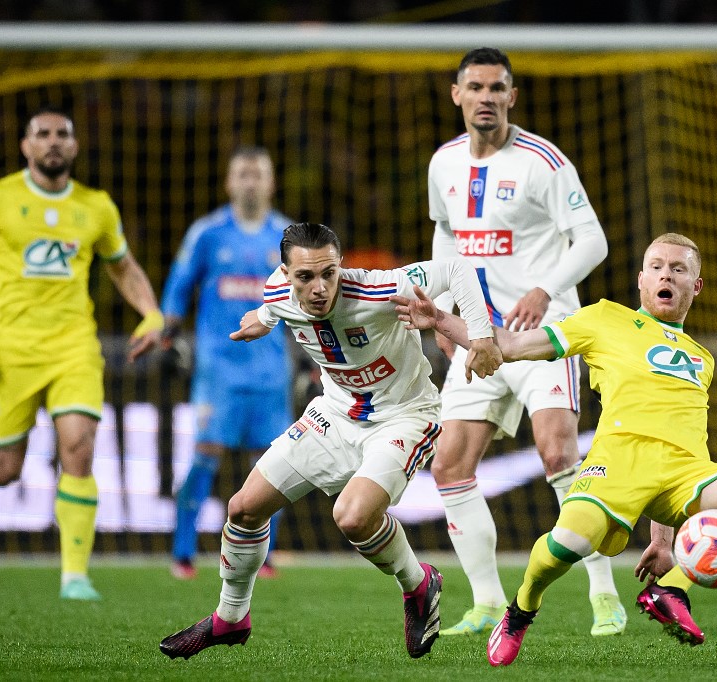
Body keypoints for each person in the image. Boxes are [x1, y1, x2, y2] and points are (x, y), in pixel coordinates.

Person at [392, 233, 717, 665]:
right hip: (616, 467)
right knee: (564, 546)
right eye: (657, 266)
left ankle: (673, 587)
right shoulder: (604, 319)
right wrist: (440, 321)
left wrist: (663, 539)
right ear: (641, 280)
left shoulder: (701, 358)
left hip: (684, 474)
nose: (666, 275)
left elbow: (688, 432)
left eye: (679, 269)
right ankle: (521, 610)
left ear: (695, 286)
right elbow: (509, 345)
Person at [159, 222, 503, 661]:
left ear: (341, 266)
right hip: (334, 414)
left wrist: (482, 335)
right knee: (243, 509)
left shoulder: (380, 288)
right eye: (305, 277)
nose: (319, 288)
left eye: (329, 274)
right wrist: (262, 320)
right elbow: (273, 306)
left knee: (353, 516)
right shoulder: (276, 293)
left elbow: (456, 269)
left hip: (403, 417)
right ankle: (230, 618)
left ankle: (418, 585)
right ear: (286, 274)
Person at [426, 46, 624, 637]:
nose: (486, 97)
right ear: (456, 94)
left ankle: (603, 594)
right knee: (449, 465)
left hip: (543, 334)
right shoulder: (443, 164)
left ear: (513, 97)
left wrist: (543, 290)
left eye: (497, 88)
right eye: (476, 87)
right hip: (478, 334)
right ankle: (487, 601)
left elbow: (593, 243)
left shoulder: (543, 160)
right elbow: (445, 235)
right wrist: (441, 311)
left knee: (559, 452)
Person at [0, 106, 164, 601]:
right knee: (4, 469)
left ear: (76, 147)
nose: (53, 142)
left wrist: (151, 312)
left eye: (63, 134)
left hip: (74, 348)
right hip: (9, 352)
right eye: (43, 134)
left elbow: (123, 267)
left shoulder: (96, 206)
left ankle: (74, 575)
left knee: (78, 448)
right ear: (26, 145)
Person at [161, 146, 293, 581]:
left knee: (274, 467)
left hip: (272, 373)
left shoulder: (289, 238)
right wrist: (167, 335)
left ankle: (264, 557)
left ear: (271, 183)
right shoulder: (208, 233)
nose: (251, 181)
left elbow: (314, 300)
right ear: (229, 182)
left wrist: (314, 361)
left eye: (259, 174)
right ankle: (183, 552)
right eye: (243, 174)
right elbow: (178, 288)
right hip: (219, 371)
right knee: (205, 456)